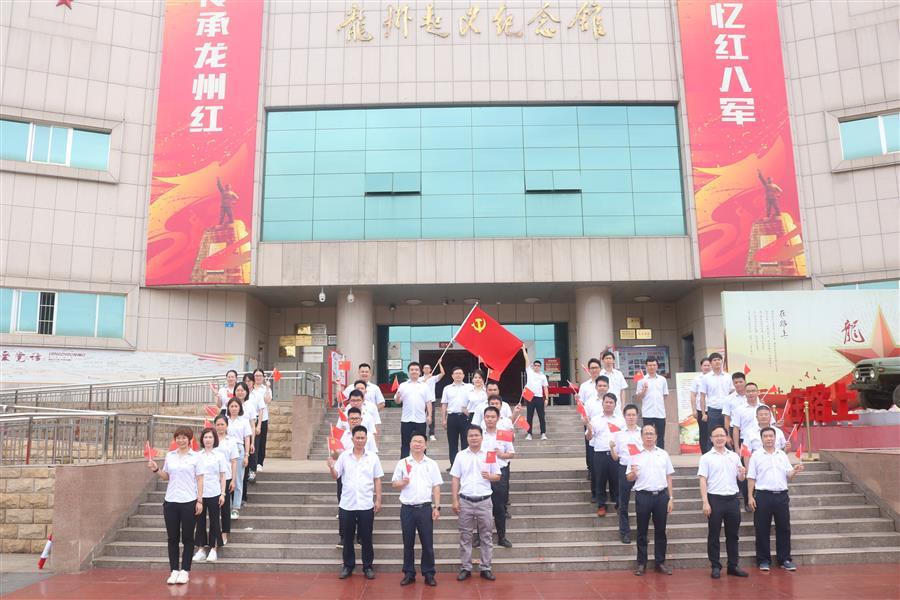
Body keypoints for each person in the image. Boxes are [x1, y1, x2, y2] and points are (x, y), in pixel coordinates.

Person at [147, 426, 203, 585]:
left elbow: (200, 479)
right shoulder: (170, 455)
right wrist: (156, 469)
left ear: (190, 439)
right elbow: (166, 476)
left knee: (188, 538)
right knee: (172, 538)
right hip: (171, 501)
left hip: (189, 501)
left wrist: (199, 500)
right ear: (175, 439)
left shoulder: (196, 457)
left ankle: (185, 570)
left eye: (184, 437)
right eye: (178, 437)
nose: (181, 440)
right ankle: (174, 570)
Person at [327, 425, 383, 580]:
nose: (360, 440)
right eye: (357, 438)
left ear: (366, 439)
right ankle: (348, 566)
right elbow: (336, 475)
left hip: (366, 504)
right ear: (352, 439)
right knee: (348, 537)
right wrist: (331, 467)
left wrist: (378, 499)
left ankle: (367, 566)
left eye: (362, 438)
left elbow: (377, 479)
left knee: (366, 537)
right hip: (347, 504)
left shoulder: (373, 457)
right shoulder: (344, 456)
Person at [748, 426, 803, 572]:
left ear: (775, 438)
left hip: (781, 496)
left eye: (771, 436)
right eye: (766, 436)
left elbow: (788, 475)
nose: (769, 439)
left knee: (784, 528)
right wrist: (750, 496)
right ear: (761, 439)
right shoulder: (756, 456)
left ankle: (784, 559)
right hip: (763, 496)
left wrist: (795, 471)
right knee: (762, 529)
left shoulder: (782, 455)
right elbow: (751, 477)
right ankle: (763, 560)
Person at [698, 425, 749, 579]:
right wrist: (705, 502)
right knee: (714, 535)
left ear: (727, 438)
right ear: (711, 438)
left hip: (732, 499)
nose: (719, 438)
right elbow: (703, 480)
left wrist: (742, 473)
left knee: (733, 535)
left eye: (722, 435)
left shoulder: (734, 456)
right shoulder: (706, 457)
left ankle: (733, 565)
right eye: (716, 436)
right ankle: (715, 566)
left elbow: (740, 478)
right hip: (715, 500)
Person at [451, 425, 500, 582]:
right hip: (465, 501)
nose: (474, 438)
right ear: (467, 438)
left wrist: (489, 476)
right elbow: (455, 478)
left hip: (484, 501)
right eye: (471, 435)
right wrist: (454, 500)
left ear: (481, 437)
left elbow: (497, 475)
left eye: (476, 435)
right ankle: (466, 567)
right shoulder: (460, 456)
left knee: (486, 535)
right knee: (465, 536)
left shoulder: (489, 454)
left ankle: (486, 567)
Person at [392, 432, 442, 587]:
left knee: (427, 543)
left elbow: (436, 486)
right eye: (415, 441)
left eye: (421, 441)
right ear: (410, 444)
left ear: (425, 445)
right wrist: (402, 483)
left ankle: (429, 573)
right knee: (408, 543)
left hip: (425, 508)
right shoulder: (403, 463)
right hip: (407, 509)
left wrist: (437, 507)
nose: (417, 444)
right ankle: (409, 573)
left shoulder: (431, 464)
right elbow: (394, 484)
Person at [627, 424, 674, 576]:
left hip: (661, 496)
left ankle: (660, 562)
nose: (649, 436)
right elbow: (629, 477)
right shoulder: (635, 455)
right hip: (643, 496)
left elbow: (669, 477)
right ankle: (641, 563)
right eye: (646, 433)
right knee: (642, 531)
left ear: (656, 436)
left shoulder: (663, 454)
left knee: (661, 531)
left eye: (651, 433)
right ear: (641, 436)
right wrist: (633, 473)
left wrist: (671, 498)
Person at [334, 407, 379, 549]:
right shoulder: (342, 435)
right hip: (345, 475)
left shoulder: (368, 435)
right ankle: (344, 536)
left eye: (356, 418)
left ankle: (361, 536)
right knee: (345, 506)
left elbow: (373, 455)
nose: (354, 421)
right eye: (351, 418)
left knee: (363, 509)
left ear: (361, 419)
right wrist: (334, 455)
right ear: (347, 420)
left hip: (363, 475)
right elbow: (335, 455)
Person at [585, 393, 625, 517]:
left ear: (615, 405)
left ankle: (619, 504)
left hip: (615, 454)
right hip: (600, 454)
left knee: (616, 480)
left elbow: (624, 437)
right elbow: (588, 437)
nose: (608, 404)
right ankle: (601, 505)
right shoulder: (595, 419)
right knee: (600, 480)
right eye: (606, 402)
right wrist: (589, 429)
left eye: (611, 402)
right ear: (602, 404)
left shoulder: (620, 420)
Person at [730, 382, 768, 511]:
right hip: (746, 444)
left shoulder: (764, 408)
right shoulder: (739, 409)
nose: (751, 393)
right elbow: (736, 429)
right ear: (744, 393)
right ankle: (748, 501)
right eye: (748, 391)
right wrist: (737, 448)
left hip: (763, 443)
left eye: (753, 391)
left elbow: (771, 425)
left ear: (758, 392)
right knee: (747, 472)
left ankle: (761, 500)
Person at [193, 428, 228, 564]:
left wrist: (223, 493)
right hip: (199, 494)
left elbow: (223, 475)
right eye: (205, 437)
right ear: (202, 439)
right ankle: (201, 549)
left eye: (210, 437)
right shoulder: (197, 455)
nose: (208, 440)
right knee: (200, 521)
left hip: (214, 492)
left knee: (214, 521)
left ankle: (213, 549)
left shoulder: (219, 455)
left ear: (214, 439)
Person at [481, 406, 515, 548]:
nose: (490, 419)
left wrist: (501, 454)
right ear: (484, 418)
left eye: (492, 417)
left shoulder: (503, 434)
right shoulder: (479, 434)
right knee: (481, 508)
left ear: (498, 418)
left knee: (499, 506)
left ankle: (502, 537)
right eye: (487, 417)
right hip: (483, 474)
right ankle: (480, 536)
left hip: (499, 472)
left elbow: (511, 453)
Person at [611, 404, 643, 544]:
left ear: (637, 416)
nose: (631, 417)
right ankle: (625, 533)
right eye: (628, 415)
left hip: (640, 469)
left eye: (633, 415)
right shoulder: (619, 434)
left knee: (642, 503)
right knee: (623, 503)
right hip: (624, 468)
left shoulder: (642, 432)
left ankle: (642, 534)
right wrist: (611, 448)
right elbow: (615, 457)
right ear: (624, 416)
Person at [395, 362, 432, 459]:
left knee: (421, 443)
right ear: (408, 372)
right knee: (405, 444)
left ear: (419, 372)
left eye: (416, 370)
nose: (414, 371)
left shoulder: (425, 386)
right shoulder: (403, 385)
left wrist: (429, 415)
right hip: (406, 420)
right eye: (412, 370)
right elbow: (397, 401)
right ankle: (403, 464)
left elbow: (428, 402)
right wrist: (398, 397)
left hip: (420, 420)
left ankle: (422, 463)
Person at [225, 393, 251, 519]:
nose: (234, 408)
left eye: (236, 406)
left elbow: (247, 438)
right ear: (228, 408)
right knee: (227, 478)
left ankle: (235, 507)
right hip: (226, 450)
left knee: (238, 480)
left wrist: (246, 455)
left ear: (240, 408)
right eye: (232, 406)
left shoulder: (244, 421)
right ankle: (227, 506)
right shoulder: (225, 420)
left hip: (239, 449)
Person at [212, 415, 237, 546]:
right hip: (212, 478)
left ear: (227, 426)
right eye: (218, 424)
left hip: (226, 477)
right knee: (213, 507)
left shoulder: (231, 441)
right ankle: (214, 533)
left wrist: (233, 480)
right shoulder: (211, 439)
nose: (220, 427)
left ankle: (225, 532)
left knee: (225, 508)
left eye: (222, 424)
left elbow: (234, 462)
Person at [634, 357, 669, 449]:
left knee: (660, 437)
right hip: (647, 412)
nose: (652, 367)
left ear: (657, 366)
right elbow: (638, 397)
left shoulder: (662, 379)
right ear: (646, 366)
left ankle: (660, 455)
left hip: (660, 413)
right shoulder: (641, 380)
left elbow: (665, 395)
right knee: (647, 436)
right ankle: (647, 453)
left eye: (654, 365)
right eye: (649, 365)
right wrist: (643, 391)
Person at [441, 367, 471, 468]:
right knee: (452, 442)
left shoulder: (469, 387)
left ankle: (465, 465)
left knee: (465, 442)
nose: (458, 375)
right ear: (452, 376)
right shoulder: (447, 388)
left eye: (460, 373)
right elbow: (444, 404)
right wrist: (444, 419)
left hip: (465, 417)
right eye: (456, 373)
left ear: (463, 375)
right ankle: (454, 465)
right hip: (452, 417)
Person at [699, 353, 733, 436]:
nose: (717, 362)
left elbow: (732, 393)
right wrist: (703, 413)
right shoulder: (706, 378)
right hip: (713, 410)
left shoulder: (728, 376)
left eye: (719, 359)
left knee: (727, 434)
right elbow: (702, 396)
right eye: (714, 360)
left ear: (722, 361)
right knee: (713, 434)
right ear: (711, 363)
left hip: (727, 410)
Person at [250, 368, 272, 472]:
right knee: (253, 441)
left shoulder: (265, 388)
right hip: (251, 418)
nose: (258, 377)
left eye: (260, 376)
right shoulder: (250, 388)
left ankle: (259, 463)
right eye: (256, 376)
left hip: (263, 418)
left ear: (263, 377)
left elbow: (268, 401)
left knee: (262, 441)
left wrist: (267, 388)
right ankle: (252, 463)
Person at [524, 360, 550, 440]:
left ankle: (543, 433)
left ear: (540, 367)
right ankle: (529, 433)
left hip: (539, 397)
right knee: (529, 416)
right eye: (535, 365)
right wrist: (524, 353)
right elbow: (526, 360)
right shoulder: (529, 372)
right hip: (530, 396)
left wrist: (546, 398)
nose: (537, 367)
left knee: (541, 416)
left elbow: (545, 388)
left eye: (538, 366)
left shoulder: (543, 376)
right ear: (533, 366)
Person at [692, 358, 712, 453]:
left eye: (708, 365)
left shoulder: (714, 378)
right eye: (705, 365)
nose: (707, 367)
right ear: (701, 367)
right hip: (701, 410)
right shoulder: (697, 379)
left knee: (713, 432)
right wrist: (694, 410)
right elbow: (693, 395)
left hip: (713, 409)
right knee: (703, 433)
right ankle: (704, 454)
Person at [600, 350, 628, 416]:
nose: (608, 360)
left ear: (613, 360)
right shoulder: (600, 374)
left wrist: (623, 405)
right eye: (606, 358)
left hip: (617, 406)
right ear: (603, 360)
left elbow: (622, 390)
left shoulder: (619, 374)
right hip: (603, 405)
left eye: (610, 358)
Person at [723, 371, 747, 446]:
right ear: (733, 384)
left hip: (749, 429)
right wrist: (728, 436)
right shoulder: (728, 399)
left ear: (745, 382)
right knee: (736, 451)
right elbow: (727, 418)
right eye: (736, 382)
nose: (738, 384)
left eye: (740, 382)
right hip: (734, 430)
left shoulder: (751, 396)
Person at [422, 363, 444, 441]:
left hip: (431, 401)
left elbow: (442, 373)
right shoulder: (420, 379)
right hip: (422, 401)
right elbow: (420, 385)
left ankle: (432, 434)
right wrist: (427, 378)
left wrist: (440, 363)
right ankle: (422, 433)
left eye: (428, 368)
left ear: (431, 370)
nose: (426, 369)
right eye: (425, 368)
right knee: (421, 417)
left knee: (431, 417)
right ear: (423, 370)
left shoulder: (433, 378)